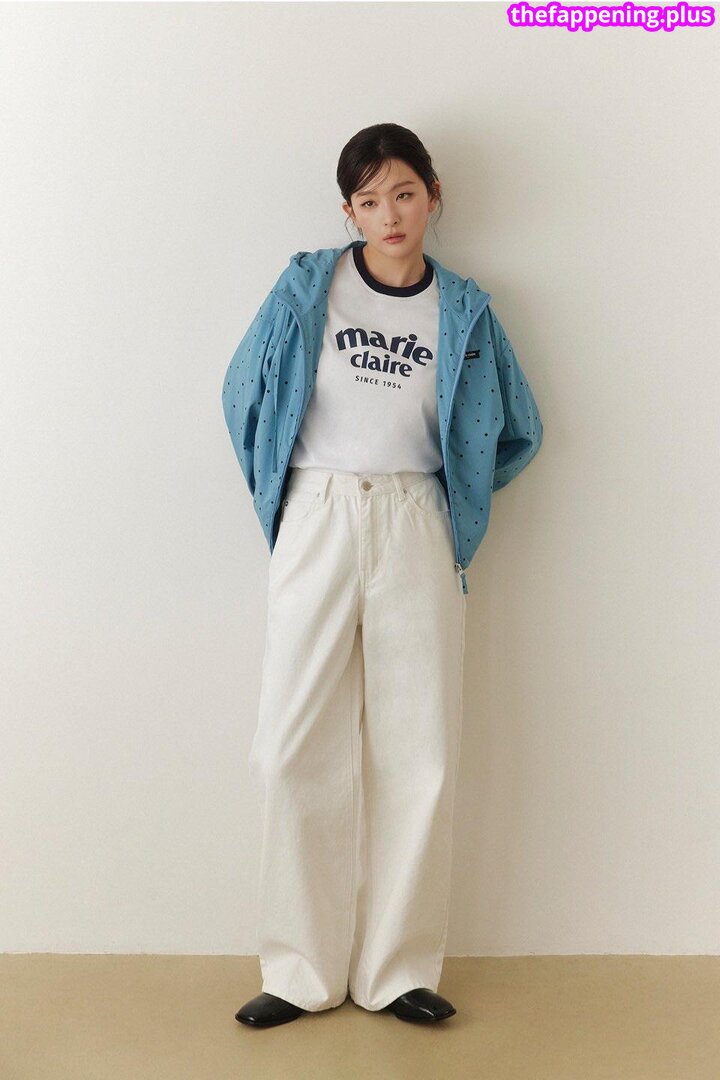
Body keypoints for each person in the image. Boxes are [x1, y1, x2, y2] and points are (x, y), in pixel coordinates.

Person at [222, 123, 543, 1028]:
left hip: (415, 517)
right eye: (369, 200)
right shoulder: (305, 288)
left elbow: (518, 427)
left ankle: (398, 970)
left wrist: (453, 497)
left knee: (418, 750)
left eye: (404, 192)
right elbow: (243, 393)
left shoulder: (466, 310)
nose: (390, 214)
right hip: (317, 510)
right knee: (291, 744)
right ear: (349, 211)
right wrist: (287, 497)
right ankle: (299, 970)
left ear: (433, 195)